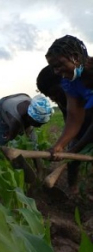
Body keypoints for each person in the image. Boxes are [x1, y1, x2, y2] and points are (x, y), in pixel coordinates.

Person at [37, 65, 93, 194]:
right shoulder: (63, 101)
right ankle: (73, 192)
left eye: (54, 93)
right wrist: (60, 147)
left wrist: (74, 150)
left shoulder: (87, 92)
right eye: (49, 96)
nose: (53, 98)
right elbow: (70, 124)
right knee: (72, 163)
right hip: (82, 132)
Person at [45, 35, 93, 155]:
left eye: (59, 65)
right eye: (53, 68)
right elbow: (74, 117)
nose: (56, 71)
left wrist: (75, 149)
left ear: (75, 57)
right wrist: (59, 146)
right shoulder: (70, 83)